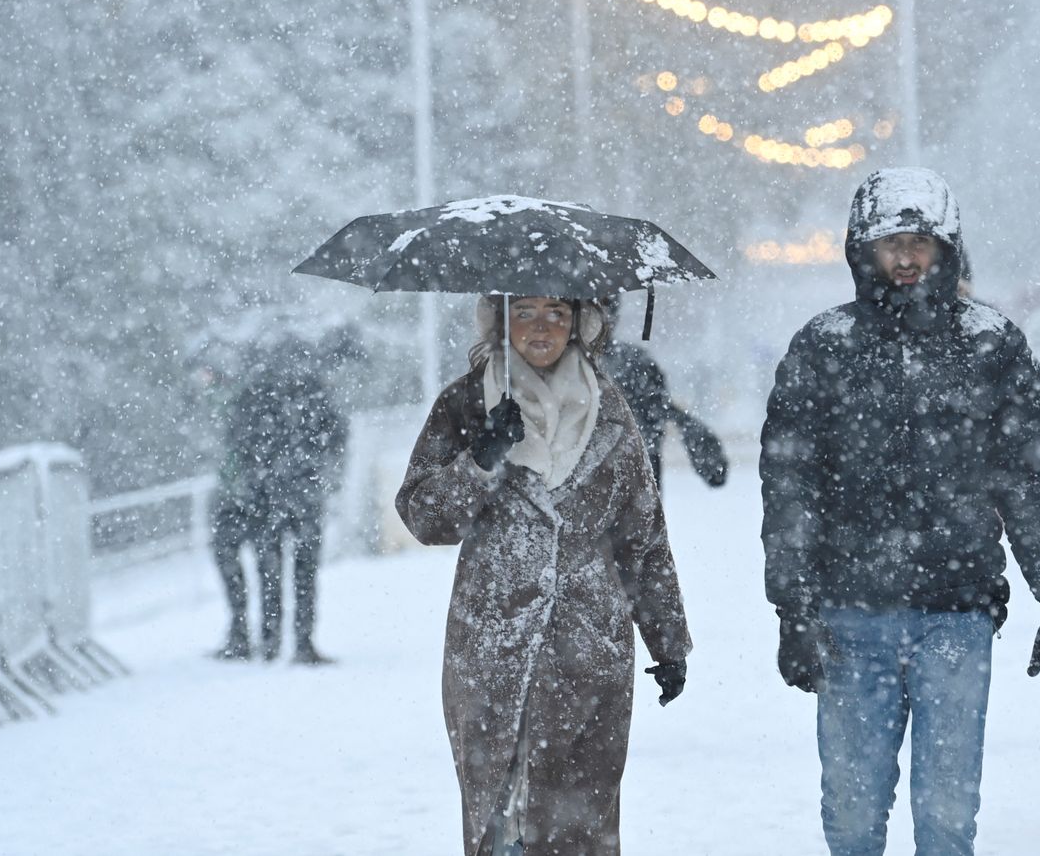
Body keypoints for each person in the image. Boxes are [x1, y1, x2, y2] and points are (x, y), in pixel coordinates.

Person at [760, 167, 1040, 856]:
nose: (906, 258)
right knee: (851, 817)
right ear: (862, 250)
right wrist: (792, 608)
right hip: (849, 616)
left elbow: (1029, 482)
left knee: (946, 819)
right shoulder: (824, 346)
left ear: (947, 249)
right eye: (890, 244)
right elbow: (790, 486)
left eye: (920, 242)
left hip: (957, 615)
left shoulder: (992, 344)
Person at [396, 294, 692, 856]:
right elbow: (423, 517)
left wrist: (668, 639)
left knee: (580, 827)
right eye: (525, 311)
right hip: (491, 648)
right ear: (500, 320)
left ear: (580, 324)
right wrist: (481, 459)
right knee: (499, 825)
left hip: (590, 652)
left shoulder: (612, 410)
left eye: (557, 313)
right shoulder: (463, 403)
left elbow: (644, 536)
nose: (541, 327)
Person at [210, 338, 347, 665]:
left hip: (266, 499)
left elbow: (236, 443)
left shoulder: (253, 396)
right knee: (305, 573)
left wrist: (257, 477)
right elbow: (337, 436)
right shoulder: (313, 392)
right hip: (303, 495)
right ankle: (302, 643)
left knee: (269, 570)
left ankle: (271, 640)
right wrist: (319, 471)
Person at [596, 295, 729, 489]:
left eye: (605, 306)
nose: (601, 315)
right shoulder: (633, 362)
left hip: (633, 491)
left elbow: (661, 408)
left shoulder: (634, 363)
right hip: (634, 490)